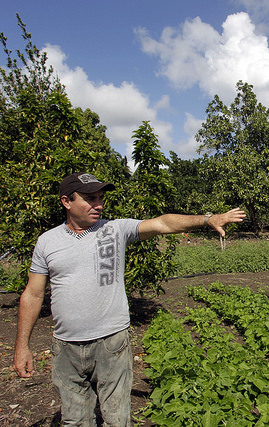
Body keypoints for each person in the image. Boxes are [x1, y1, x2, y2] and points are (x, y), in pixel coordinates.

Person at [12, 172, 245, 426]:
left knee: (117, 419)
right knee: (75, 420)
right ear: (67, 201)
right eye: (90, 199)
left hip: (111, 344)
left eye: (100, 198)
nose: (98, 205)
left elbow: (163, 224)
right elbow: (33, 294)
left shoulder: (114, 230)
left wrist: (208, 219)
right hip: (66, 348)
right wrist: (22, 346)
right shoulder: (47, 242)